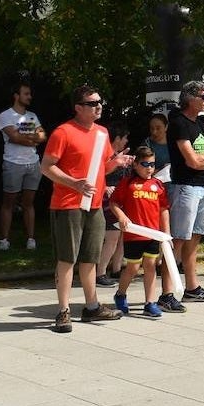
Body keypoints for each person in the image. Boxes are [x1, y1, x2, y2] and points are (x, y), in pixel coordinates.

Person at [41, 85, 134, 333]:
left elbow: (101, 167)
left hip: (94, 205)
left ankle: (92, 306)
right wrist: (74, 183)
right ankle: (63, 311)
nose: (98, 106)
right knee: (66, 259)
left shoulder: (102, 133)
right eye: (92, 103)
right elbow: (46, 167)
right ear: (78, 108)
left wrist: (117, 162)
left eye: (99, 102)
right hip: (68, 204)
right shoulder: (63, 132)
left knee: (90, 257)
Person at [166, 81, 204, 303]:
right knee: (178, 239)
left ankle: (192, 287)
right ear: (190, 98)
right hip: (185, 187)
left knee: (195, 237)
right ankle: (167, 292)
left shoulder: (199, 123)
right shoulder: (178, 123)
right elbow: (191, 161)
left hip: (203, 186)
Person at [108, 146, 177, 317]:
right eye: (145, 164)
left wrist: (166, 235)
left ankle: (150, 303)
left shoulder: (158, 185)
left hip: (153, 234)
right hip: (134, 234)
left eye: (152, 164)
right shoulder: (127, 183)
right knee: (132, 268)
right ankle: (120, 294)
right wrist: (122, 216)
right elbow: (114, 202)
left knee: (150, 266)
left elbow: (163, 210)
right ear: (136, 164)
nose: (149, 168)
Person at [0, 84, 46, 251]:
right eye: (26, 94)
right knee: (9, 202)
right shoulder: (5, 115)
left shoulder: (32, 116)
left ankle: (30, 239)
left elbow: (42, 136)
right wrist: (32, 138)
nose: (29, 97)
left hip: (33, 163)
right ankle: (4, 239)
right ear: (16, 96)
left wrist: (25, 137)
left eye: (30, 94)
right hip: (13, 163)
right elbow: (14, 137)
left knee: (28, 202)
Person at [95, 125, 131, 287]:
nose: (126, 141)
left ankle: (116, 269)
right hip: (107, 201)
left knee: (121, 235)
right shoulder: (104, 155)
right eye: (124, 138)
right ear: (117, 138)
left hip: (120, 200)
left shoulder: (118, 155)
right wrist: (104, 188)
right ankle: (100, 273)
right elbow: (96, 173)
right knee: (112, 237)